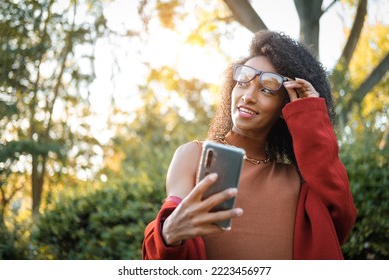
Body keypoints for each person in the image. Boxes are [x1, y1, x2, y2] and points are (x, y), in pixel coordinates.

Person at [142, 30, 357, 260]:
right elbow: (172, 232)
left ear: (286, 107)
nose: (248, 96)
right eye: (243, 81)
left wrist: (310, 115)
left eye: (266, 88)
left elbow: (340, 219)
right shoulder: (194, 155)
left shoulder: (295, 181)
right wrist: (167, 234)